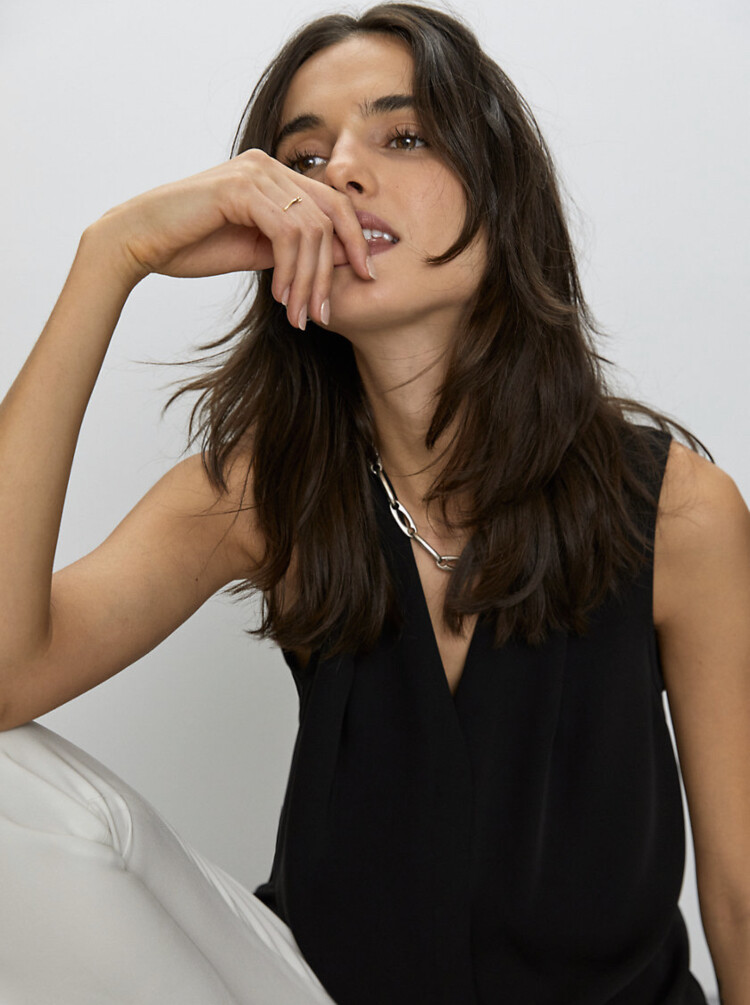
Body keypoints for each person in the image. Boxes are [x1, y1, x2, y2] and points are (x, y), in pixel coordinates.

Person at [0, 2, 747, 1002]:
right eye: (303, 159)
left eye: (404, 136)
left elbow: (740, 895)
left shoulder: (678, 510)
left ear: (501, 191)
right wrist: (111, 257)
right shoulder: (264, 494)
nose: (341, 173)